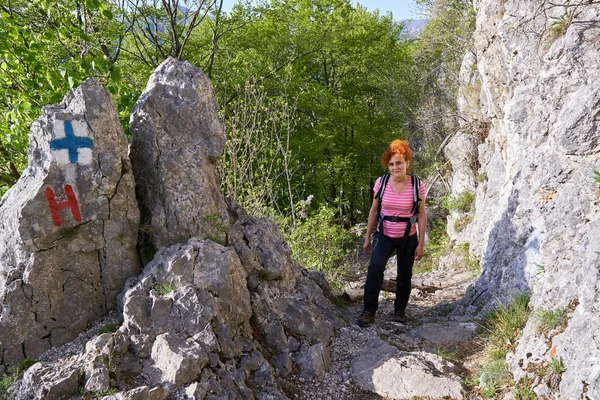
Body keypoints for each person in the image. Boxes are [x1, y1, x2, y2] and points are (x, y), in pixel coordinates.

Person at [357, 139, 426, 327]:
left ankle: (399, 311)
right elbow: (373, 210)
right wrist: (367, 237)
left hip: (407, 235)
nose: (395, 167)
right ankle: (368, 310)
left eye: (399, 163)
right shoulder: (382, 182)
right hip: (384, 233)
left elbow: (421, 215)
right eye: (391, 164)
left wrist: (421, 243)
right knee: (375, 267)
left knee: (404, 273)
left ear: (407, 163)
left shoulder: (416, 185)